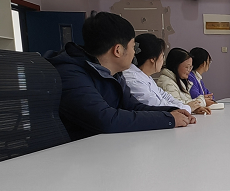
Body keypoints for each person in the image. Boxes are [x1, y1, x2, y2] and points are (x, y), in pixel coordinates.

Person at [47, 12, 192, 140]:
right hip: (79, 155)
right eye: (133, 47)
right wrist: (168, 119)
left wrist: (171, 111)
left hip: (107, 146)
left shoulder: (114, 74)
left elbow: (133, 106)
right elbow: (106, 119)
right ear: (118, 50)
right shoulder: (71, 73)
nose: (134, 53)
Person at [123, 33, 200, 117]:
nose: (163, 60)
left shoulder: (145, 76)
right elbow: (157, 105)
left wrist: (186, 107)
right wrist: (187, 108)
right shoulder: (133, 79)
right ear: (153, 59)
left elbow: (165, 96)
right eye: (162, 55)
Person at [156, 47, 212, 114]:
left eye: (190, 67)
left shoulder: (180, 80)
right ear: (176, 66)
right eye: (186, 67)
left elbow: (186, 102)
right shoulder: (167, 83)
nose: (189, 70)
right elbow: (176, 106)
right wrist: (202, 101)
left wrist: (195, 109)